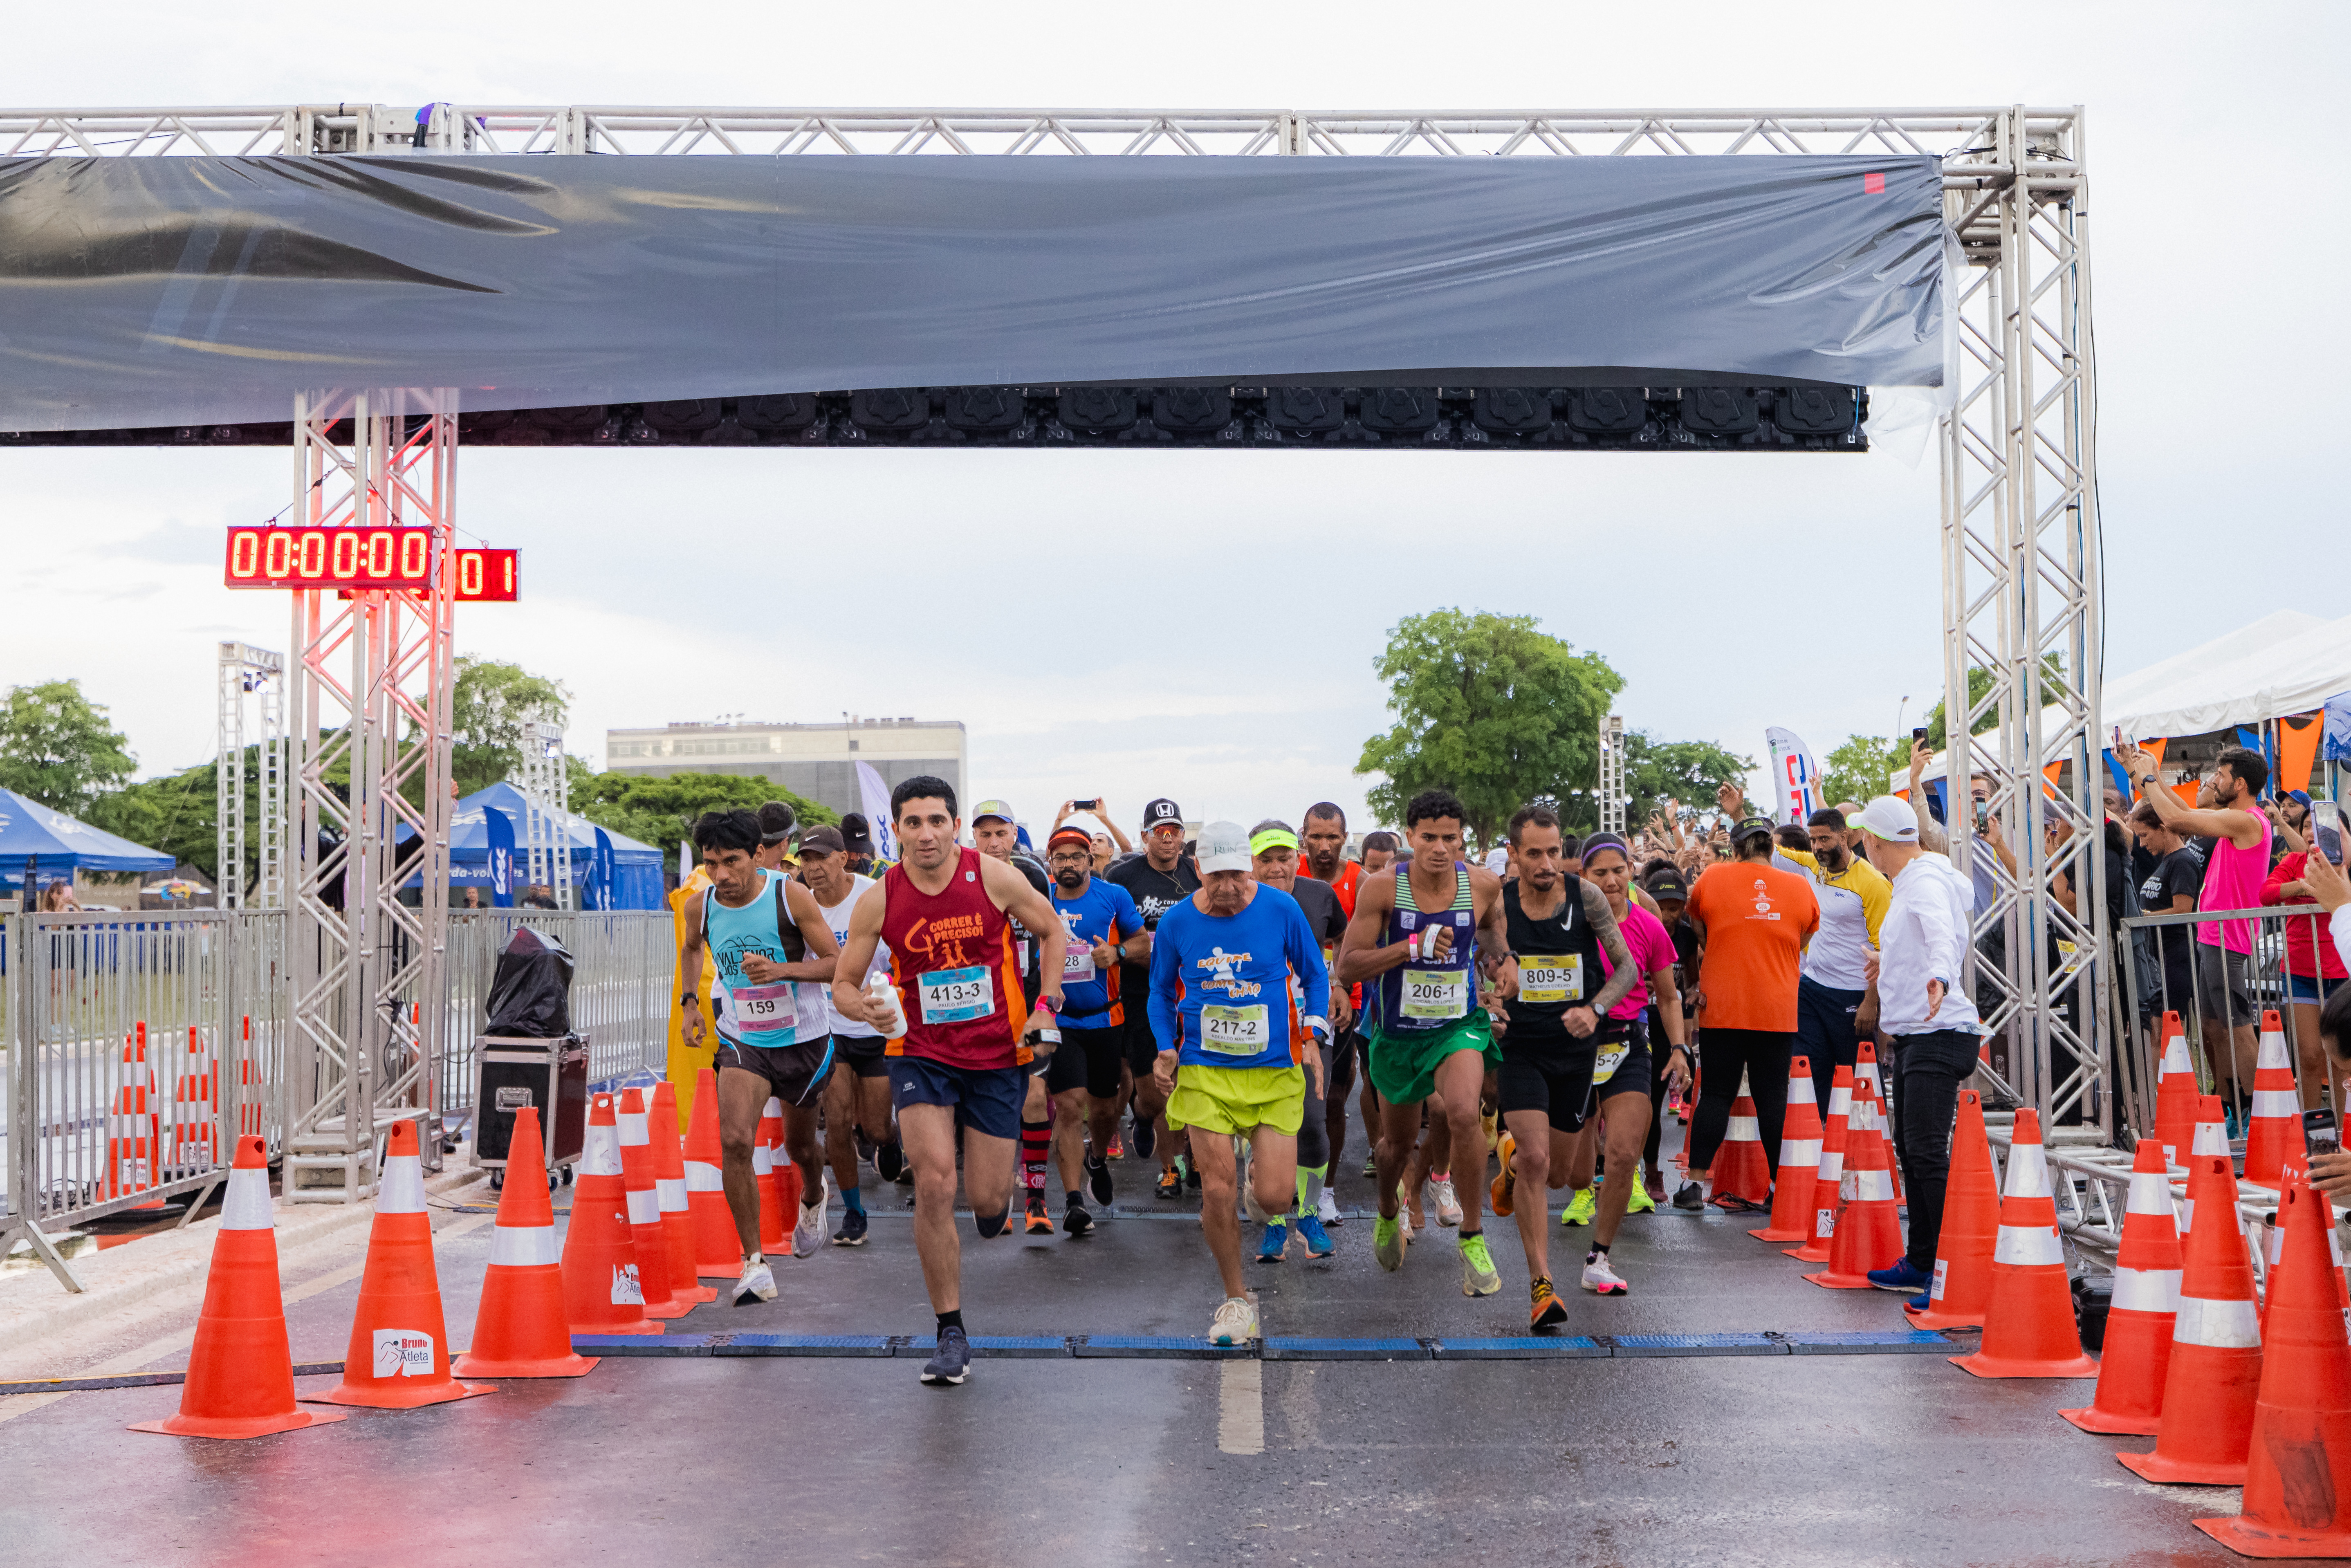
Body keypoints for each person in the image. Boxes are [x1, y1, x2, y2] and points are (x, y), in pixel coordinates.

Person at [830, 776, 1068, 1386]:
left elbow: (1051, 930)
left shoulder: (991, 876)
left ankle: (999, 1198)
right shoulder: (881, 897)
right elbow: (844, 983)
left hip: (995, 1052)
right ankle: (950, 1331)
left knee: (985, 1202)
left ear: (954, 825)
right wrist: (866, 1010)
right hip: (919, 1051)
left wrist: (1046, 1002)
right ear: (899, 830)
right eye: (913, 823)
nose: (926, 833)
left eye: (937, 820)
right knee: (935, 1179)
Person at [1147, 821, 1330, 1344]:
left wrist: (1313, 1029)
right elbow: (1159, 992)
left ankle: (1263, 1185)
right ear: (1197, 869)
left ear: (1249, 869)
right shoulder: (1178, 922)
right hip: (1204, 1071)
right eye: (1216, 876)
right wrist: (1165, 1046)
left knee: (1274, 1199)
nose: (1228, 887)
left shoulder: (1279, 909)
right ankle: (1234, 1300)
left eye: (1237, 875)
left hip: (1272, 1070)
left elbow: (1314, 974)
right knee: (1216, 1187)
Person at [1336, 788, 1513, 1296]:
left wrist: (1506, 965)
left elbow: (1494, 938)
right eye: (1428, 837)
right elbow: (1348, 965)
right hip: (1397, 1035)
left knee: (1461, 1112)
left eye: (1450, 838)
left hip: (1455, 1027)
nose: (1439, 848)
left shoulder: (1481, 885)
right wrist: (1410, 946)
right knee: (1394, 1146)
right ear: (1409, 836)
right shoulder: (1381, 888)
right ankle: (1389, 1210)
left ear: (1463, 841)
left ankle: (1473, 1236)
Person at [677, 808, 842, 1306]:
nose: (722, 875)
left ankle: (813, 1196)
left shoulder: (787, 896)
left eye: (732, 861)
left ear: (757, 855)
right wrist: (691, 1002)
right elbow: (690, 949)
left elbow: (837, 963)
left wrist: (782, 970)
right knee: (734, 1141)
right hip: (742, 1039)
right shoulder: (699, 906)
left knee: (801, 1149)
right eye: (711, 863)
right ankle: (754, 1263)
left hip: (804, 1041)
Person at [1478, 810, 1636, 1320]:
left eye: (1552, 852)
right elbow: (1472, 968)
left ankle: (1511, 1164)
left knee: (1565, 1175)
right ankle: (1540, 1284)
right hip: (1521, 1046)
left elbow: (1628, 968)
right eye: (1534, 854)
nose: (1546, 864)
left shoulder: (1584, 896)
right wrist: (1489, 1004)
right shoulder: (1496, 905)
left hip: (1574, 1048)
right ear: (1513, 852)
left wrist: (1594, 1010)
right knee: (1539, 1159)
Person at [1847, 797, 1989, 1302]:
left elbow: (1941, 936)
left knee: (1926, 1154)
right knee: (1913, 1152)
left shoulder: (1923, 881)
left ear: (1873, 842)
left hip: (1938, 1032)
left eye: (1862, 840)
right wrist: (1886, 962)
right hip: (1919, 1033)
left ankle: (1945, 1270)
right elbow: (1926, 938)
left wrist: (1938, 977)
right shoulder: (1914, 879)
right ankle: (1923, 1261)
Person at [2118, 742, 2272, 1111]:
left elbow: (2176, 819)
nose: (2214, 781)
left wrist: (2151, 775)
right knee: (2214, 1030)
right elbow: (2183, 809)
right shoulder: (2232, 819)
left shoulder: (2249, 820)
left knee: (2237, 1029)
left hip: (2228, 940)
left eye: (2221, 775)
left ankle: (2259, 1112)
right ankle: (2230, 1109)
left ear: (2239, 784)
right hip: (2211, 937)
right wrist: (2138, 773)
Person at [1678, 814, 1819, 1211]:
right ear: (1771, 849)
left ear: (1736, 850)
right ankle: (1778, 1187)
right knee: (1772, 1098)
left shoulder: (1712, 878)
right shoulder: (1798, 886)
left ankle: (1692, 1186)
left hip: (1722, 1005)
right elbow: (1805, 936)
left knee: (1716, 1094)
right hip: (1776, 1007)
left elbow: (1697, 926)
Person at [1722, 785, 1891, 1115]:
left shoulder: (1872, 883)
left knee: (1860, 1080)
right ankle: (1820, 1152)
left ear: (1845, 836)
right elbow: (1765, 849)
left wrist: (1871, 1001)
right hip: (1811, 990)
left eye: (1825, 839)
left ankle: (1871, 1154)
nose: (1818, 847)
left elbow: (1884, 949)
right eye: (1813, 840)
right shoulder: (1813, 867)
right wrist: (1739, 815)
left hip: (1852, 995)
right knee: (1811, 1076)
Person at [1041, 823, 1148, 1233]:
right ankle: (1072, 1202)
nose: (1068, 864)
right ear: (1050, 863)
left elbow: (1144, 945)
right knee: (1068, 1106)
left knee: (1103, 1109)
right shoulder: (1040, 898)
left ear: (1090, 860)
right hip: (1059, 1020)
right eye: (1060, 857)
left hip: (1106, 1016)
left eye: (1076, 856)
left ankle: (1097, 1157)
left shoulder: (1113, 896)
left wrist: (1117, 952)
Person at [796, 824, 897, 1245]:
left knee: (874, 1130)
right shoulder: (799, 904)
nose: (813, 867)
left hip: (873, 1023)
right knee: (836, 1122)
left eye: (821, 857)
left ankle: (890, 1139)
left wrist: (885, 989)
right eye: (806, 859)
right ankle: (854, 1213)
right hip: (827, 1026)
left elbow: (897, 958)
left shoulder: (873, 896)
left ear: (843, 857)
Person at [1249, 819, 1346, 1260]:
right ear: (1250, 863)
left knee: (1311, 1117)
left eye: (1282, 858)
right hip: (1255, 1028)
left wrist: (1339, 982)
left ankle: (1307, 1212)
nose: (1274, 868)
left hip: (1307, 1023)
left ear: (1297, 856)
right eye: (1264, 860)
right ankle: (1273, 1221)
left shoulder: (1318, 895)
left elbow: (1342, 937)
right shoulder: (1234, 900)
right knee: (1265, 1125)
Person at [971, 799, 1063, 1235]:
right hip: (979, 1010)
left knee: (1033, 1098)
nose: (993, 842)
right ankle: (993, 1196)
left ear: (1013, 835)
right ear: (973, 837)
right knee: (989, 1106)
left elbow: (1049, 934)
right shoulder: (961, 875)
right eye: (984, 833)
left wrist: (1048, 993)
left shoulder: (1030, 876)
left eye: (1000, 833)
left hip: (1027, 1004)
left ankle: (1036, 1201)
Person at [1107, 797, 1201, 1198]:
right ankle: (1142, 1120)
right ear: (1145, 836)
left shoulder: (1196, 873)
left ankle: (1176, 1168)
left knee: (1192, 1084)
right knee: (1154, 1095)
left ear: (1183, 835)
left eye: (1174, 831)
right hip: (1141, 993)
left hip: (1194, 993)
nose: (1167, 839)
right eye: (1159, 832)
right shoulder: (1122, 876)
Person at [1299, 803, 1365, 1224]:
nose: (1323, 846)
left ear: (1345, 837)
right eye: (1315, 837)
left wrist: (1339, 981)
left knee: (1333, 1100)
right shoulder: (1286, 872)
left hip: (1344, 1002)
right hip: (1286, 1004)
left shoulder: (1360, 881)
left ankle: (1325, 1191)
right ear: (1303, 836)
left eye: (1332, 837)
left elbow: (1359, 940)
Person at [2265, 819, 2348, 1109]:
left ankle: (2344, 1134)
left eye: (2320, 827)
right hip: (2300, 972)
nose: (2311, 832)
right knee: (2310, 1055)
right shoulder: (2294, 860)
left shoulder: (2344, 867)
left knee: (2343, 1059)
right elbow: (2267, 893)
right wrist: (2304, 887)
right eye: (2306, 827)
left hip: (2342, 975)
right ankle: (2313, 1134)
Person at [1641, 866, 1701, 1198]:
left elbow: (1692, 978)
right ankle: (1618, 1171)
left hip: (1667, 1023)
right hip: (1634, 1020)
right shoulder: (1636, 925)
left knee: (1654, 1102)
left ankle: (1652, 1172)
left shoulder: (1687, 935)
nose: (1668, 914)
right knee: (1636, 1103)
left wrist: (1693, 992)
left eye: (1675, 906)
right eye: (1661, 905)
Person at [2130, 801, 2203, 1028]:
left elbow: (2183, 910)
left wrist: (2143, 918)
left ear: (2163, 828)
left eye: (2144, 835)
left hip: (2176, 957)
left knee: (2171, 1032)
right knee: (2158, 1030)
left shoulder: (2182, 861)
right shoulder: (2167, 861)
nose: (2141, 844)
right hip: (2160, 957)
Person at [839, 813, 879, 877]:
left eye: (860, 852)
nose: (855, 858)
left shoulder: (872, 872)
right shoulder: (826, 870)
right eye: (850, 850)